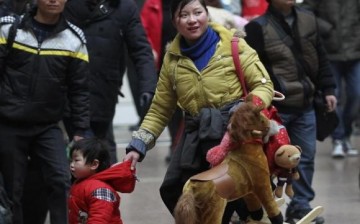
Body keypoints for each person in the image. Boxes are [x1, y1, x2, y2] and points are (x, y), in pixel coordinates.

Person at [124, 0, 275, 222]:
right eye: (184, 15)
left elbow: (264, 86)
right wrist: (138, 145)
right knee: (175, 190)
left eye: (198, 12)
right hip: (196, 138)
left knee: (231, 197)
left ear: (207, 13)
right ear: (174, 20)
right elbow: (159, 109)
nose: (192, 20)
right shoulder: (172, 59)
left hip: (234, 135)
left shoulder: (233, 44)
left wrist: (245, 111)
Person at [244, 0, 337, 223]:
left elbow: (321, 56)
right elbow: (256, 70)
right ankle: (267, 207)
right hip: (276, 109)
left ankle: (300, 205)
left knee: (303, 157)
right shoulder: (257, 27)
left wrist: (329, 88)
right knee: (270, 160)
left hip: (306, 102)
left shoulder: (308, 18)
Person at [0, 0, 91, 223]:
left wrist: (79, 131)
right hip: (9, 124)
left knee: (61, 180)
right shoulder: (9, 30)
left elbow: (79, 90)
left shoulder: (74, 39)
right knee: (13, 192)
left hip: (48, 126)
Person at [63, 0, 158, 164]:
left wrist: (148, 86)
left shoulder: (124, 8)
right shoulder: (67, 5)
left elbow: (141, 50)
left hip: (104, 90)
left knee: (100, 151)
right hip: (69, 92)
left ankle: (101, 186)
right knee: (84, 154)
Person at [300, 0, 360, 158]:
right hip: (329, 52)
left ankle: (346, 133)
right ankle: (338, 139)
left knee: (356, 95)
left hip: (355, 52)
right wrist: (326, 29)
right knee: (334, 97)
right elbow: (304, 11)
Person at [140, 0, 185, 163]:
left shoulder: (188, 3)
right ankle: (175, 143)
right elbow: (142, 30)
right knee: (170, 108)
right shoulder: (152, 4)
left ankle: (182, 145)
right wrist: (149, 49)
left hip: (188, 60)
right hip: (163, 63)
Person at [68, 137, 136, 224]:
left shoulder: (100, 190)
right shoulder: (80, 182)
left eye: (76, 160)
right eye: (71, 160)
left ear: (94, 164)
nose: (71, 165)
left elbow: (99, 219)